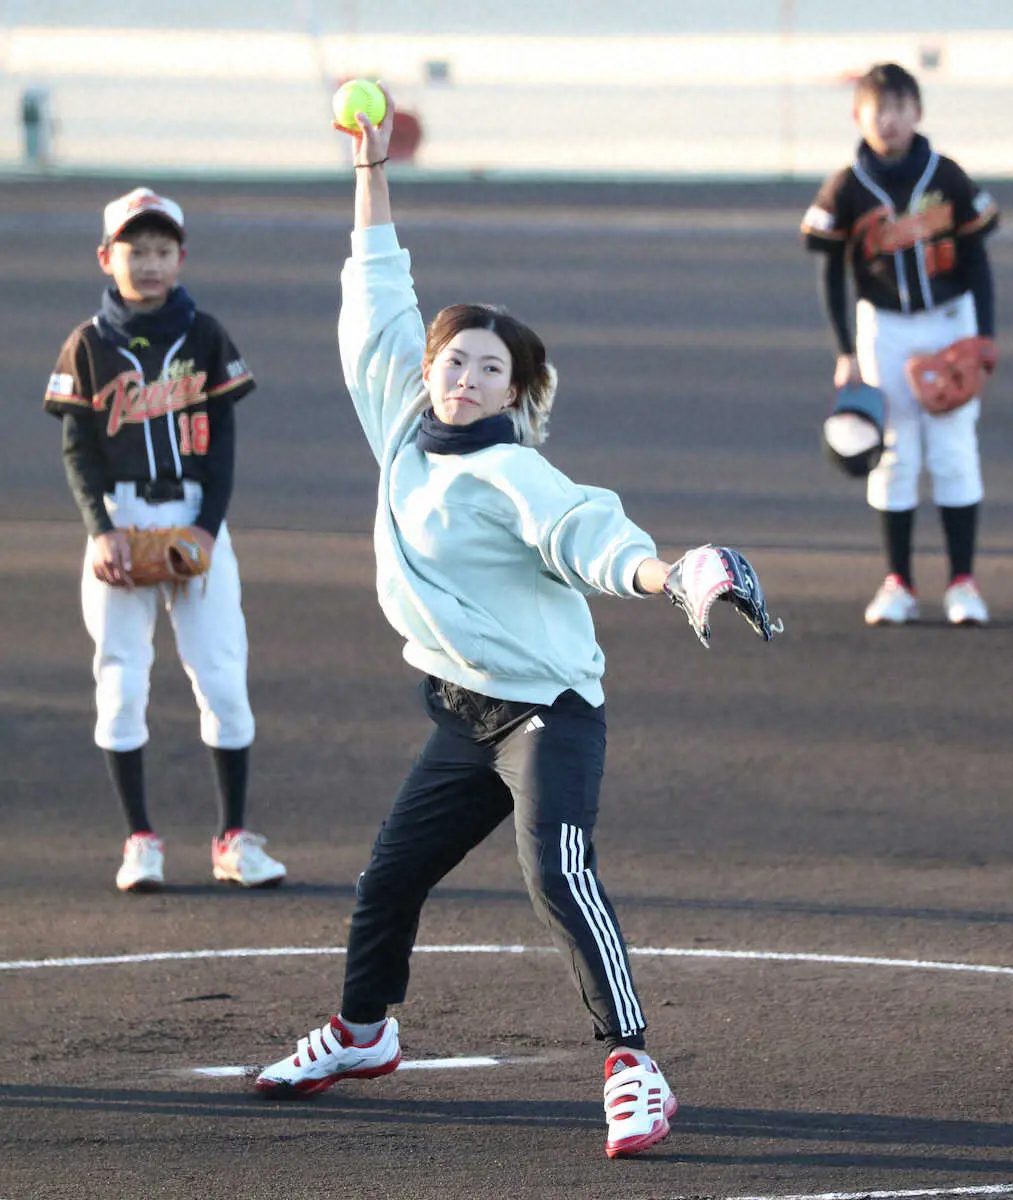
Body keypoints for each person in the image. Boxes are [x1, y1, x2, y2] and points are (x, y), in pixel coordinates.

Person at [253, 86, 780, 1159]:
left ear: (513, 391)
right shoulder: (400, 428)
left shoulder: (512, 472)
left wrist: (666, 575)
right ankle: (362, 1033)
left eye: (489, 367)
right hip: (464, 714)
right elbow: (376, 294)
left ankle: (633, 1065)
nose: (463, 374)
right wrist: (370, 167)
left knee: (558, 872)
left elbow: (589, 535)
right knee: (388, 878)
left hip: (548, 715)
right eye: (452, 358)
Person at [43, 187, 286, 893]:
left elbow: (224, 449)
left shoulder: (205, 335)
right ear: (106, 257)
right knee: (120, 681)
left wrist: (206, 531)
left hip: (193, 514)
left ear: (180, 257)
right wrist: (101, 531)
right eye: (134, 250)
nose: (147, 264)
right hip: (119, 519)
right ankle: (140, 841)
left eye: (160, 250)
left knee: (222, 678)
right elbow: (77, 449)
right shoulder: (86, 343)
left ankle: (233, 838)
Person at [801, 62, 999, 626]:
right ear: (857, 115)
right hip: (882, 328)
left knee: (955, 448)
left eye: (899, 108)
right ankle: (899, 583)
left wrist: (983, 335)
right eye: (876, 110)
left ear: (918, 112)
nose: (888, 120)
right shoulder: (847, 185)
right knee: (892, 453)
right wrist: (845, 352)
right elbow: (831, 272)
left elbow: (979, 257)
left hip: (949, 322)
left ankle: (963, 583)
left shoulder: (948, 174)